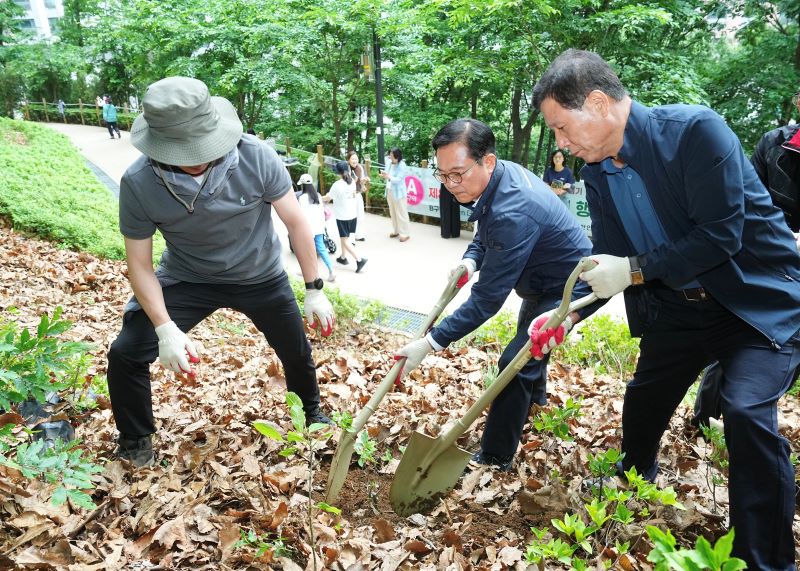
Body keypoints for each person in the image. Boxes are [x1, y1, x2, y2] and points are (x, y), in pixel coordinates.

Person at [529, 49, 800, 569]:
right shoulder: (596, 173)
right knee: (645, 398)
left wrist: (631, 269)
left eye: (562, 127)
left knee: (746, 411)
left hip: (755, 303)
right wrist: (566, 313)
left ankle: (764, 559)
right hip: (679, 308)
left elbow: (721, 235)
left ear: (599, 103)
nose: (560, 143)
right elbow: (605, 263)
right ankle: (636, 474)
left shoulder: (697, 132)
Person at [107, 77, 335, 468]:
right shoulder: (139, 182)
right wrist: (164, 329)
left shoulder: (256, 156)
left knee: (295, 349)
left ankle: (311, 413)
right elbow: (139, 266)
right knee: (126, 352)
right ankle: (134, 439)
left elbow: (296, 223)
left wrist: (314, 288)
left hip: (261, 275)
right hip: (188, 278)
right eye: (183, 150)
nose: (196, 157)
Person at [394, 118, 593, 471]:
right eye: (442, 175)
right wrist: (471, 262)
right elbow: (484, 231)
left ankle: (495, 457)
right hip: (540, 278)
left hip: (568, 287)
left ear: (487, 160)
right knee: (529, 350)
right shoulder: (496, 176)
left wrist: (430, 343)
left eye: (457, 174)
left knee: (514, 365)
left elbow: (487, 300)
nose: (451, 185)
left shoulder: (514, 209)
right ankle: (537, 404)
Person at [692, 88, 800, 428]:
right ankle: (706, 419)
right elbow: (743, 202)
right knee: (740, 335)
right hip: (768, 260)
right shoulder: (774, 144)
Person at [324, 160, 367, 272]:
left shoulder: (337, 185)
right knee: (345, 238)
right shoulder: (352, 181)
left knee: (345, 240)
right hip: (352, 215)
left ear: (338, 172)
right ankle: (343, 257)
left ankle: (359, 259)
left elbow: (328, 198)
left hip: (343, 216)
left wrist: (316, 197)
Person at [297, 173, 336, 282]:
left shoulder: (302, 198)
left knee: (306, 250)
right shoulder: (317, 195)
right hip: (319, 226)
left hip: (308, 228)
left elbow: (301, 215)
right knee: (321, 249)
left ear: (303, 185)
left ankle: (309, 271)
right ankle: (332, 270)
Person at [379, 148, 411, 242]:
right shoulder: (389, 162)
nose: (390, 158)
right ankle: (396, 230)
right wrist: (384, 175)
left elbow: (398, 179)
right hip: (389, 190)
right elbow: (387, 173)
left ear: (398, 157)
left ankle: (405, 234)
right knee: (392, 212)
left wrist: (388, 176)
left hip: (399, 192)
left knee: (401, 213)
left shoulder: (402, 165)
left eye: (393, 157)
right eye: (390, 155)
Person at [347, 150, 369, 242]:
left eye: (356, 158)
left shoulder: (360, 167)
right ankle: (350, 236)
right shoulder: (346, 168)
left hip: (358, 194)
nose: (354, 160)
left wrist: (364, 181)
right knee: (350, 216)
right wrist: (354, 181)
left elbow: (362, 182)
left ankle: (359, 235)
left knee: (360, 215)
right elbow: (346, 183)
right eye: (352, 159)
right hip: (348, 196)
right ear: (348, 160)